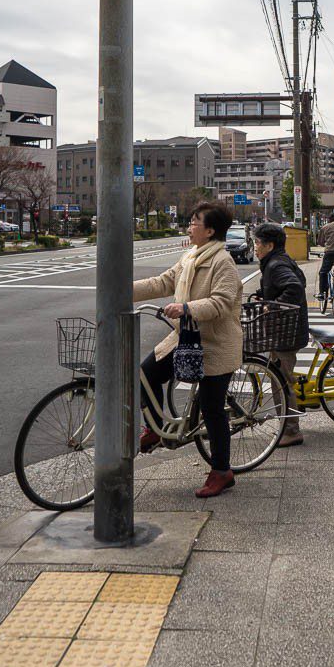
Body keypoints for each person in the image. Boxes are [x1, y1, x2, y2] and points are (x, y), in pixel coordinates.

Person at [133, 201, 243, 498]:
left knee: (211, 410)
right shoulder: (191, 256)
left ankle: (222, 471)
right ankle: (155, 429)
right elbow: (163, 281)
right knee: (146, 372)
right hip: (186, 339)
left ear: (210, 230)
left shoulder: (223, 263)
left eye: (195, 222)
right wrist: (121, 289)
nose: (189, 226)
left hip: (215, 344)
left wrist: (185, 307)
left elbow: (221, 303)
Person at [253, 222, 309, 447]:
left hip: (286, 332)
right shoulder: (280, 260)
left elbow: (295, 287)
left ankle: (291, 430)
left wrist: (274, 305)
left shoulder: (275, 264)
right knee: (281, 378)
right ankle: (288, 425)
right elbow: (299, 281)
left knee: (281, 382)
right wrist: (264, 294)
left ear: (269, 245)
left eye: (257, 242)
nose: (254, 246)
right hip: (288, 330)